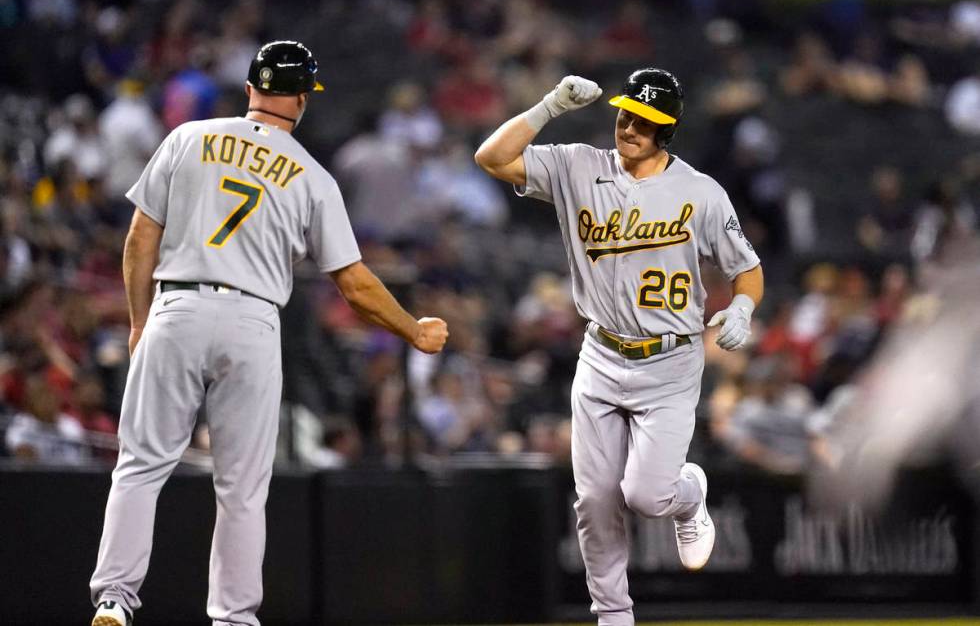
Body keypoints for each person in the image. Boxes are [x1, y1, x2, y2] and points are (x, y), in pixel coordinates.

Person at [89, 41, 448, 626]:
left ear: (251, 87)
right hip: (251, 321)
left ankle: (114, 598)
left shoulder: (188, 137)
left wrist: (138, 320)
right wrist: (412, 330)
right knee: (241, 486)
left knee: (140, 464)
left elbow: (138, 239)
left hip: (176, 305)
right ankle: (233, 618)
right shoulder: (312, 175)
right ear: (302, 99)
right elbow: (353, 284)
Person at [475, 69, 763, 626]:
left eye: (645, 121)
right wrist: (548, 107)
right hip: (601, 354)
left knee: (646, 496)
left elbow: (747, 269)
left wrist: (744, 306)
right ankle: (613, 616)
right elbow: (491, 157)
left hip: (672, 359)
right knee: (594, 500)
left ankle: (689, 494)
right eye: (626, 113)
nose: (629, 127)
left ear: (667, 130)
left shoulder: (700, 191)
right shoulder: (578, 165)